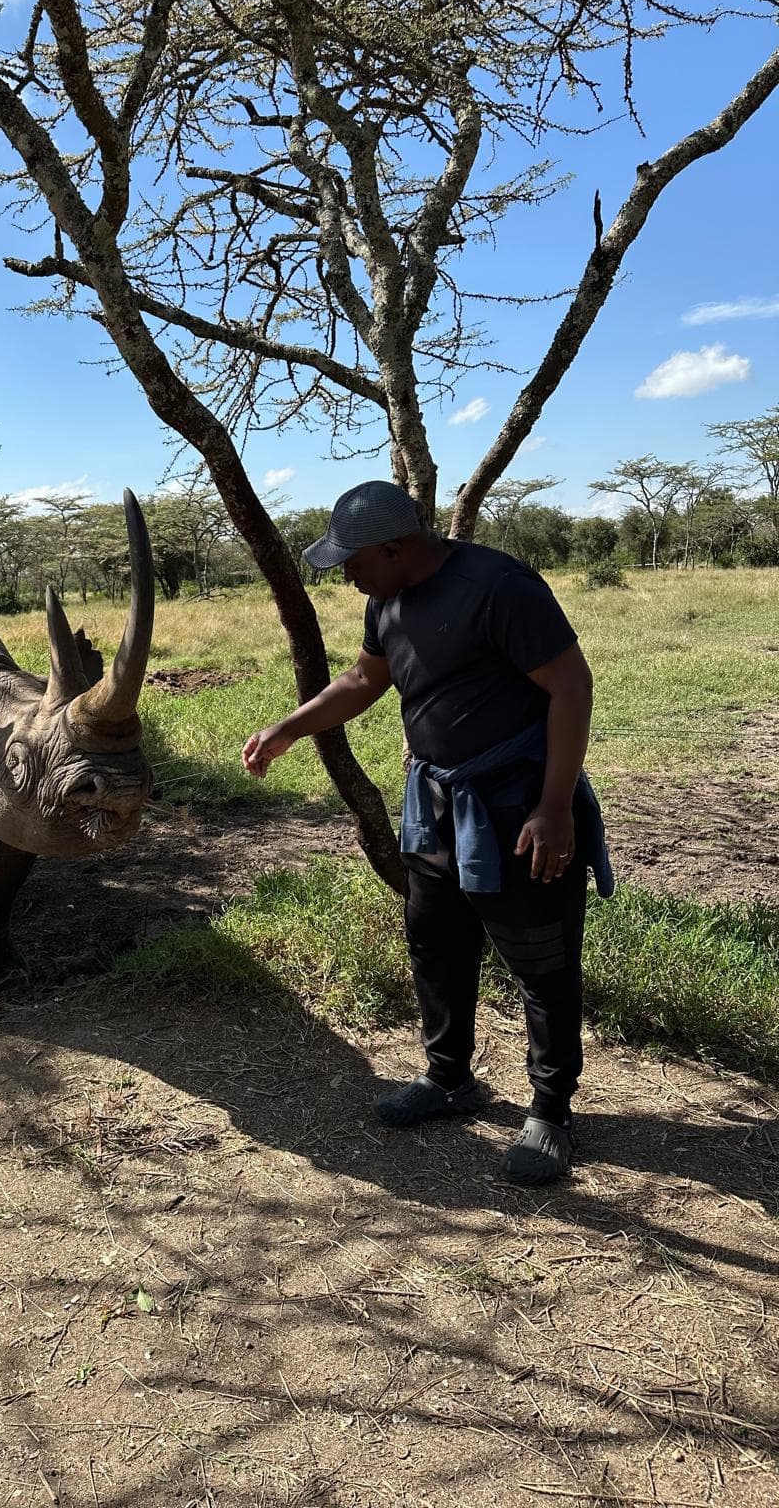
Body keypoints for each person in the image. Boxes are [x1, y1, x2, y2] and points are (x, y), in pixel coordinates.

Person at [241, 480, 613, 1185]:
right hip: (437, 807)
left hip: (516, 808)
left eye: (353, 561)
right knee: (435, 944)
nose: (346, 575)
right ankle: (449, 1081)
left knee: (541, 960)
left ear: (395, 546)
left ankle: (551, 1111)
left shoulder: (498, 587)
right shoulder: (387, 599)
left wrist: (555, 807)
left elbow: (572, 686)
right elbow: (363, 679)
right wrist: (288, 727)